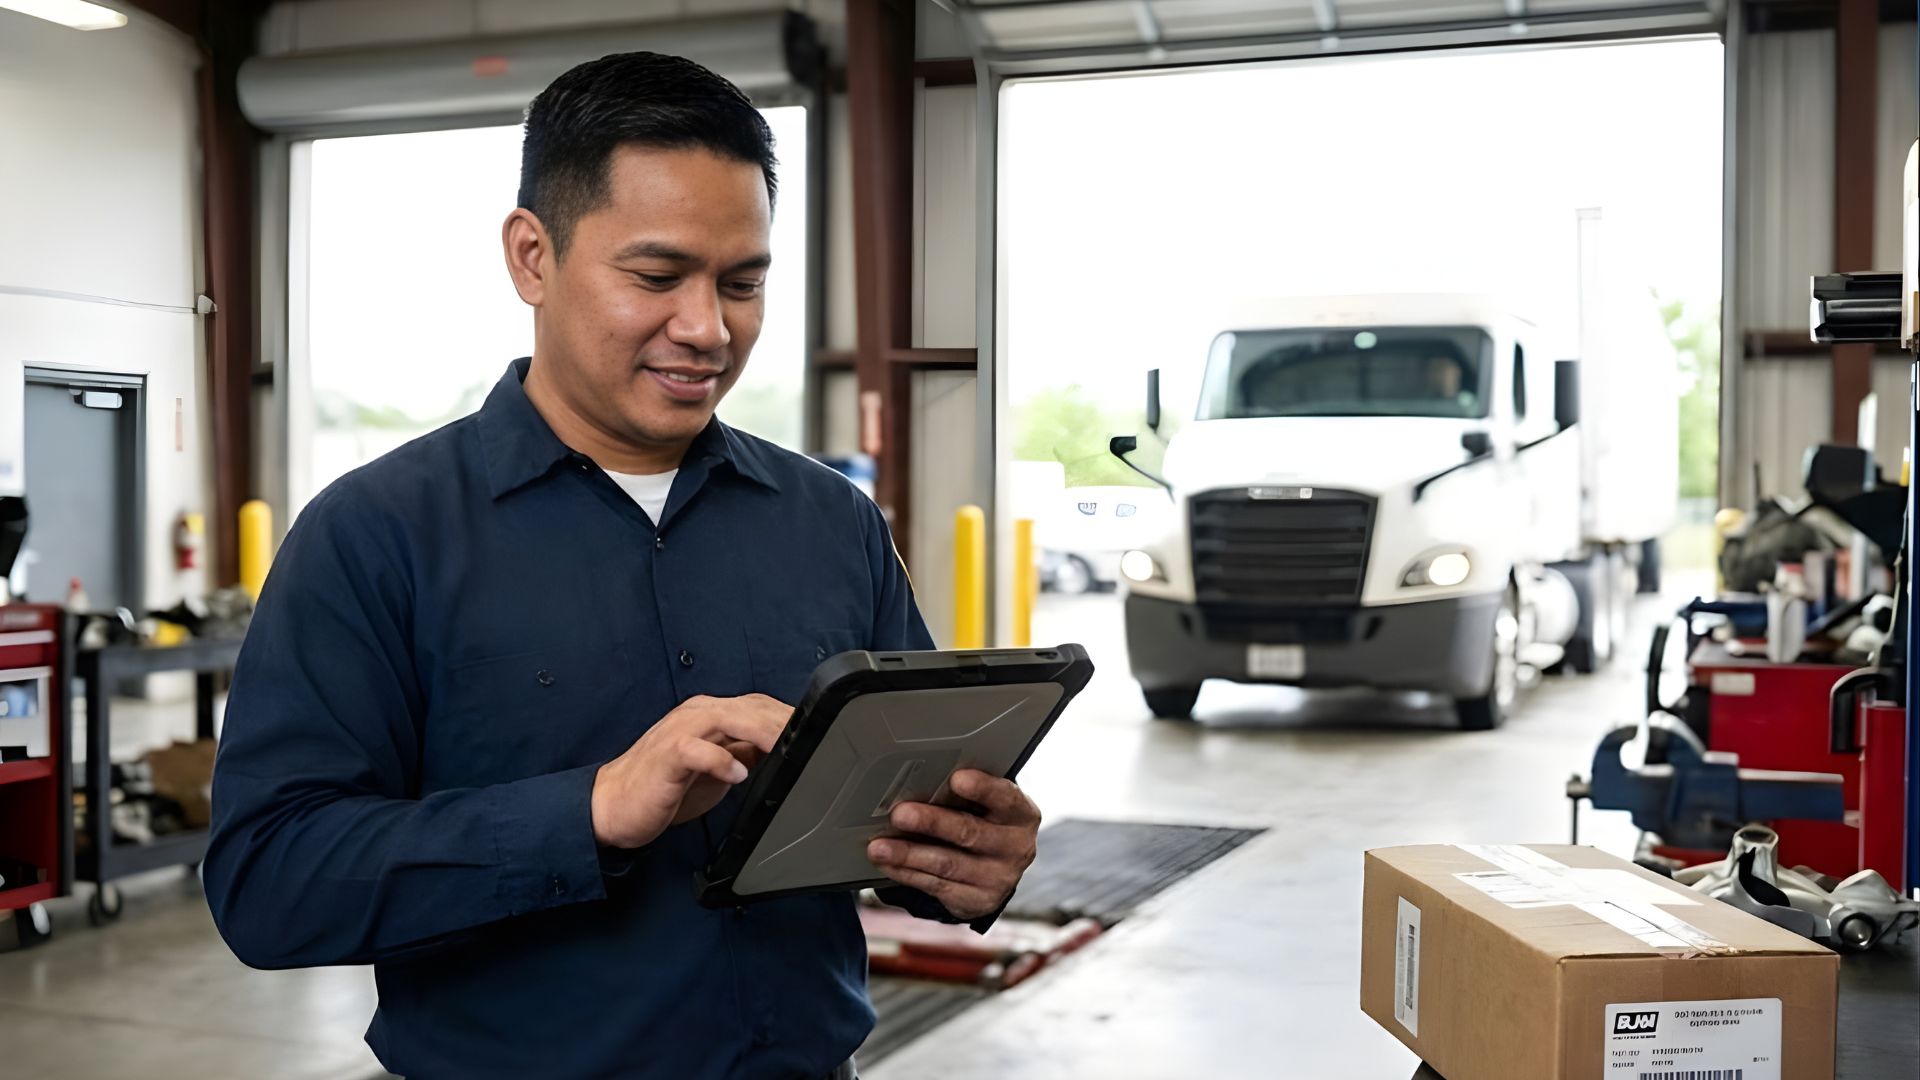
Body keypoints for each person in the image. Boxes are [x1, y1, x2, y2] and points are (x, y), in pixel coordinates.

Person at [203, 51, 1043, 1080]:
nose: (708, 329)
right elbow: (269, 883)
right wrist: (590, 811)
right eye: (656, 277)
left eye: (742, 284)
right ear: (532, 258)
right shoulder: (375, 536)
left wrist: (964, 862)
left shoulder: (832, 523)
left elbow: (887, 815)